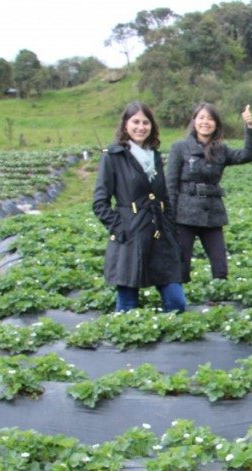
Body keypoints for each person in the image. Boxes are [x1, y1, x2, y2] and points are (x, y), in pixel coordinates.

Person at [93, 101, 185, 313]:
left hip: (160, 236)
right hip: (131, 238)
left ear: (151, 126)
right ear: (125, 124)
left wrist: (170, 228)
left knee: (176, 302)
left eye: (145, 122)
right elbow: (100, 203)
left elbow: (165, 197)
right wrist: (121, 229)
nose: (140, 127)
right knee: (127, 305)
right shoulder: (113, 156)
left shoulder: (155, 155)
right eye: (135, 122)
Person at [165, 102, 252, 282]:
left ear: (216, 124)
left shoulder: (221, 149)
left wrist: (250, 127)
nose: (205, 122)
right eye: (201, 118)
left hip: (212, 214)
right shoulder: (180, 148)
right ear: (194, 121)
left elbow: (247, 155)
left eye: (210, 118)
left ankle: (218, 303)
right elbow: (170, 184)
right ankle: (182, 306)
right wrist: (169, 217)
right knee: (181, 267)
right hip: (184, 216)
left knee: (220, 268)